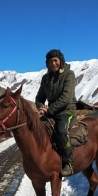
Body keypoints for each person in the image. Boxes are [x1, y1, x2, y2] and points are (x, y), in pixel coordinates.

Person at [35, 49, 77, 177]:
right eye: (50, 61)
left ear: (61, 61)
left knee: (61, 130)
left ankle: (68, 162)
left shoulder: (69, 74)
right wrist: (41, 106)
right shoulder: (45, 79)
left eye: (55, 60)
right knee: (37, 129)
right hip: (51, 112)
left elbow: (66, 98)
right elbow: (39, 97)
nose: (53, 63)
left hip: (67, 110)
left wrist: (50, 110)